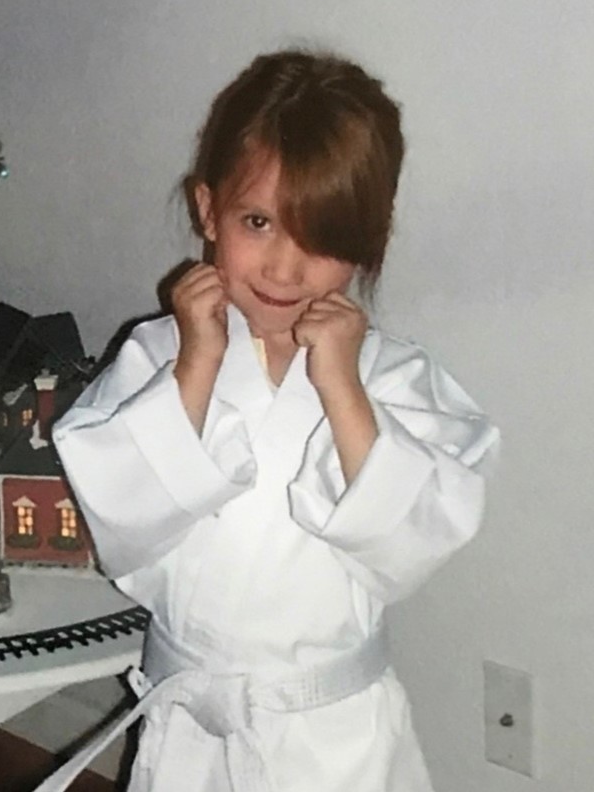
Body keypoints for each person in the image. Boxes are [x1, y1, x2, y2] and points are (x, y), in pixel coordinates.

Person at [47, 49, 498, 792]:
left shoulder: (392, 377)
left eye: (320, 237)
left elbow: (414, 538)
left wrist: (343, 390)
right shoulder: (158, 355)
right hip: (194, 731)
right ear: (207, 210)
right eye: (258, 222)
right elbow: (120, 519)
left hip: (335, 741)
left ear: (366, 239)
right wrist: (194, 366)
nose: (285, 270)